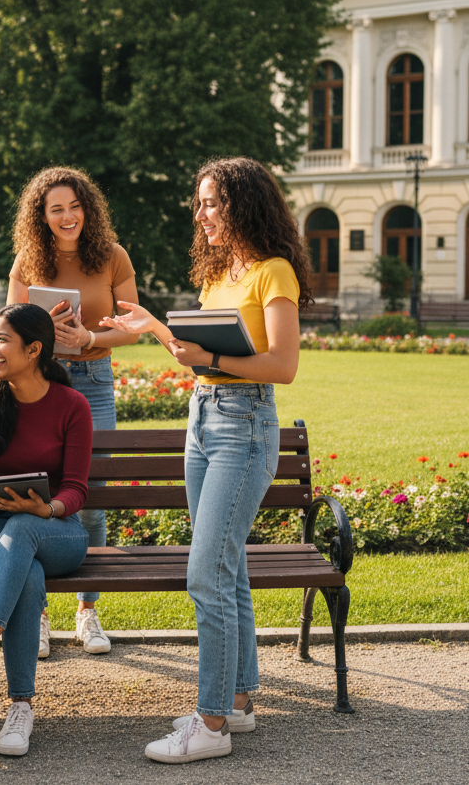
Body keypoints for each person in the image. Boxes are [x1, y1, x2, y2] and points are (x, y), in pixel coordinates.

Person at [101, 156, 313, 764]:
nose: (202, 214)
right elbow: (195, 354)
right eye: (200, 203)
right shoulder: (219, 275)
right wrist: (152, 328)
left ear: (243, 204)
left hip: (243, 426)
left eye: (212, 202)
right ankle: (240, 700)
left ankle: (211, 723)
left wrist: (210, 362)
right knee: (228, 567)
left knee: (206, 574)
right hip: (202, 418)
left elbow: (283, 366)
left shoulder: (273, 273)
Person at [0, 303, 93, 756]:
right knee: (25, 575)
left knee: (26, 529)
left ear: (33, 350)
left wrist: (46, 508)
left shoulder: (72, 406)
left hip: (58, 532)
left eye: (1, 340)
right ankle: (20, 709)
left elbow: (76, 489)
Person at [7, 166, 140, 657]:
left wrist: (89, 338)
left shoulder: (112, 256)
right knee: (38, 486)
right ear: (41, 215)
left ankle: (88, 610)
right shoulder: (28, 261)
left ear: (88, 208)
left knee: (93, 492)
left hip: (94, 381)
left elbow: (131, 326)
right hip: (40, 383)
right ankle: (39, 614)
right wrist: (44, 332)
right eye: (55, 208)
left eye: (74, 206)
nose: (67, 216)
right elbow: (7, 331)